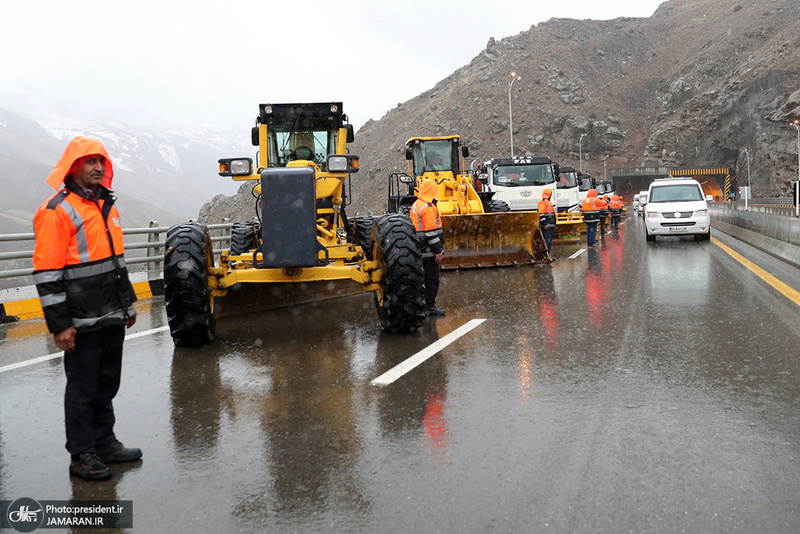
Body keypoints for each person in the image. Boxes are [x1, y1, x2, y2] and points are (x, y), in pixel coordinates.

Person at [33, 137, 141, 481]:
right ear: (73, 166)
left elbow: (115, 263)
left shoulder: (105, 206)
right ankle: (82, 455)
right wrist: (60, 324)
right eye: (89, 161)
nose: (97, 167)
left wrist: (127, 303)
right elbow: (47, 274)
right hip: (80, 319)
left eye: (101, 161)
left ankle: (105, 443)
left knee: (107, 384)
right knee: (82, 389)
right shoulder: (56, 211)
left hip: (110, 313)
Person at [410, 179, 445, 316]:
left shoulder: (416, 204)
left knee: (420, 279)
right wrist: (438, 251)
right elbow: (431, 233)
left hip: (418, 248)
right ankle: (430, 306)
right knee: (432, 279)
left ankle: (420, 305)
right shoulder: (429, 208)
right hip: (428, 250)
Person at [537, 188, 556, 258]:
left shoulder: (546, 201)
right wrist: (544, 224)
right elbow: (541, 214)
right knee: (547, 241)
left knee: (548, 240)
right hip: (547, 225)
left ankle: (546, 255)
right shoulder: (543, 201)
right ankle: (546, 256)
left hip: (549, 224)